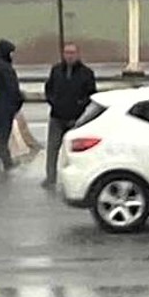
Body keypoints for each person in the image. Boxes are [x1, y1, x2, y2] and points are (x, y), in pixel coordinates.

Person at [43, 43, 97, 190]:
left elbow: (91, 95)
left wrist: (80, 105)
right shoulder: (56, 71)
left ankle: (81, 178)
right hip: (57, 117)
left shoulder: (86, 73)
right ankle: (50, 177)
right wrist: (53, 102)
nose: (69, 56)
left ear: (78, 54)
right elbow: (49, 89)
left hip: (77, 119)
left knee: (77, 150)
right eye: (67, 52)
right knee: (52, 148)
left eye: (72, 53)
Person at [0, 39, 23, 173]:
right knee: (3, 136)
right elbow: (12, 89)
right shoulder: (6, 68)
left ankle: (6, 161)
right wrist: (18, 103)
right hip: (5, 106)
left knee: (0, 135)